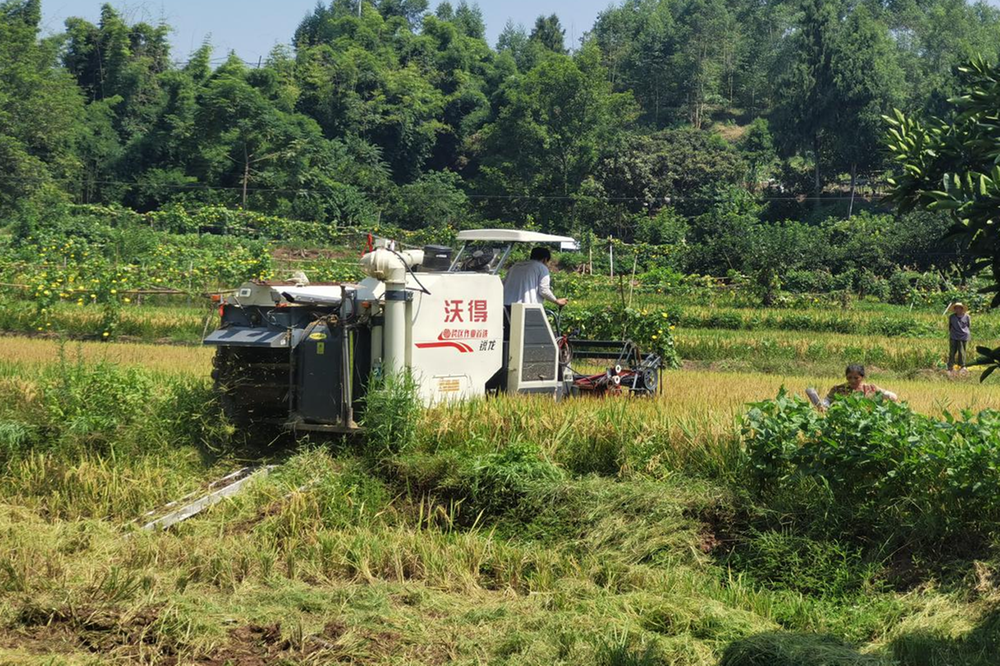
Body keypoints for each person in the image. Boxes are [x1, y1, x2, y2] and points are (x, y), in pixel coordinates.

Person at [806, 364, 898, 411]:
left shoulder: (871, 388)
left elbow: (891, 396)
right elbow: (827, 400)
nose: (852, 380)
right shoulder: (838, 389)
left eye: (856, 378)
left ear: (862, 377)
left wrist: (889, 396)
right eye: (849, 377)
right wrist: (823, 406)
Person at [503, 246, 568, 307]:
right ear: (545, 259)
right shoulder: (541, 267)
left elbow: (504, 283)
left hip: (506, 305)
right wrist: (556, 301)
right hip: (526, 306)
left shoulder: (515, 266)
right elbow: (544, 290)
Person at [946, 302, 971, 371]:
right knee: (952, 351)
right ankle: (950, 366)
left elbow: (968, 326)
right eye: (956, 308)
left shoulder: (967, 317)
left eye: (959, 308)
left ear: (962, 309)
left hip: (963, 335)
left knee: (962, 351)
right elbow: (950, 326)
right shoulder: (952, 317)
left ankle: (962, 366)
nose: (957, 310)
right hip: (954, 335)